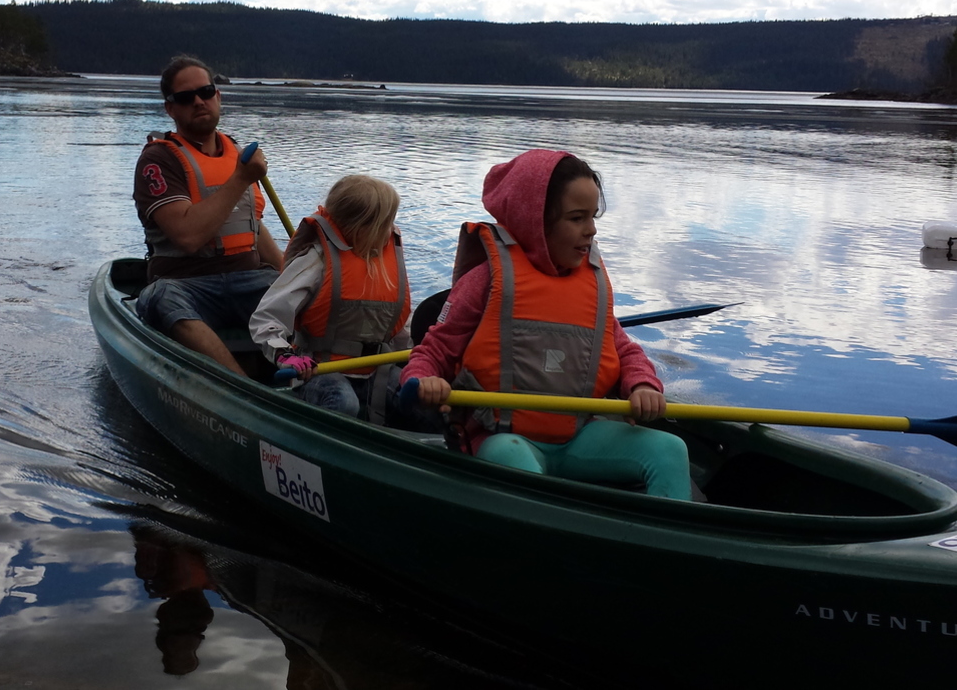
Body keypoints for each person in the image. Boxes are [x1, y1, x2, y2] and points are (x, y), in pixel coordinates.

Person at [402, 150, 692, 499]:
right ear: (535, 220)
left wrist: (642, 385)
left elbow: (623, 349)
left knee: (670, 449)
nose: (591, 230)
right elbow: (434, 350)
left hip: (579, 437)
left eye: (593, 216)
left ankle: (659, 546)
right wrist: (423, 380)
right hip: (503, 438)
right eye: (576, 218)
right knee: (512, 457)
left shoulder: (593, 285)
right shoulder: (484, 281)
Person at [133, 55, 284, 376]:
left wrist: (296, 278)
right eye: (186, 98)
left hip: (248, 281)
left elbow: (253, 226)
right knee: (161, 299)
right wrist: (241, 178)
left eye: (206, 92)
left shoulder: (237, 153)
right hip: (185, 285)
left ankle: (311, 379)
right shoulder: (157, 160)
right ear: (170, 109)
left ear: (218, 96)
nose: (198, 102)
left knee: (305, 297)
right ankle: (241, 388)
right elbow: (188, 237)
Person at [250, 175, 438, 430]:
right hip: (321, 371)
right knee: (343, 403)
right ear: (362, 227)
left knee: (427, 407)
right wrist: (285, 355)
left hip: (376, 372)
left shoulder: (385, 260)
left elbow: (396, 328)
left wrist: (416, 366)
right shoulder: (316, 261)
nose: (391, 229)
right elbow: (266, 318)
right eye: (385, 222)